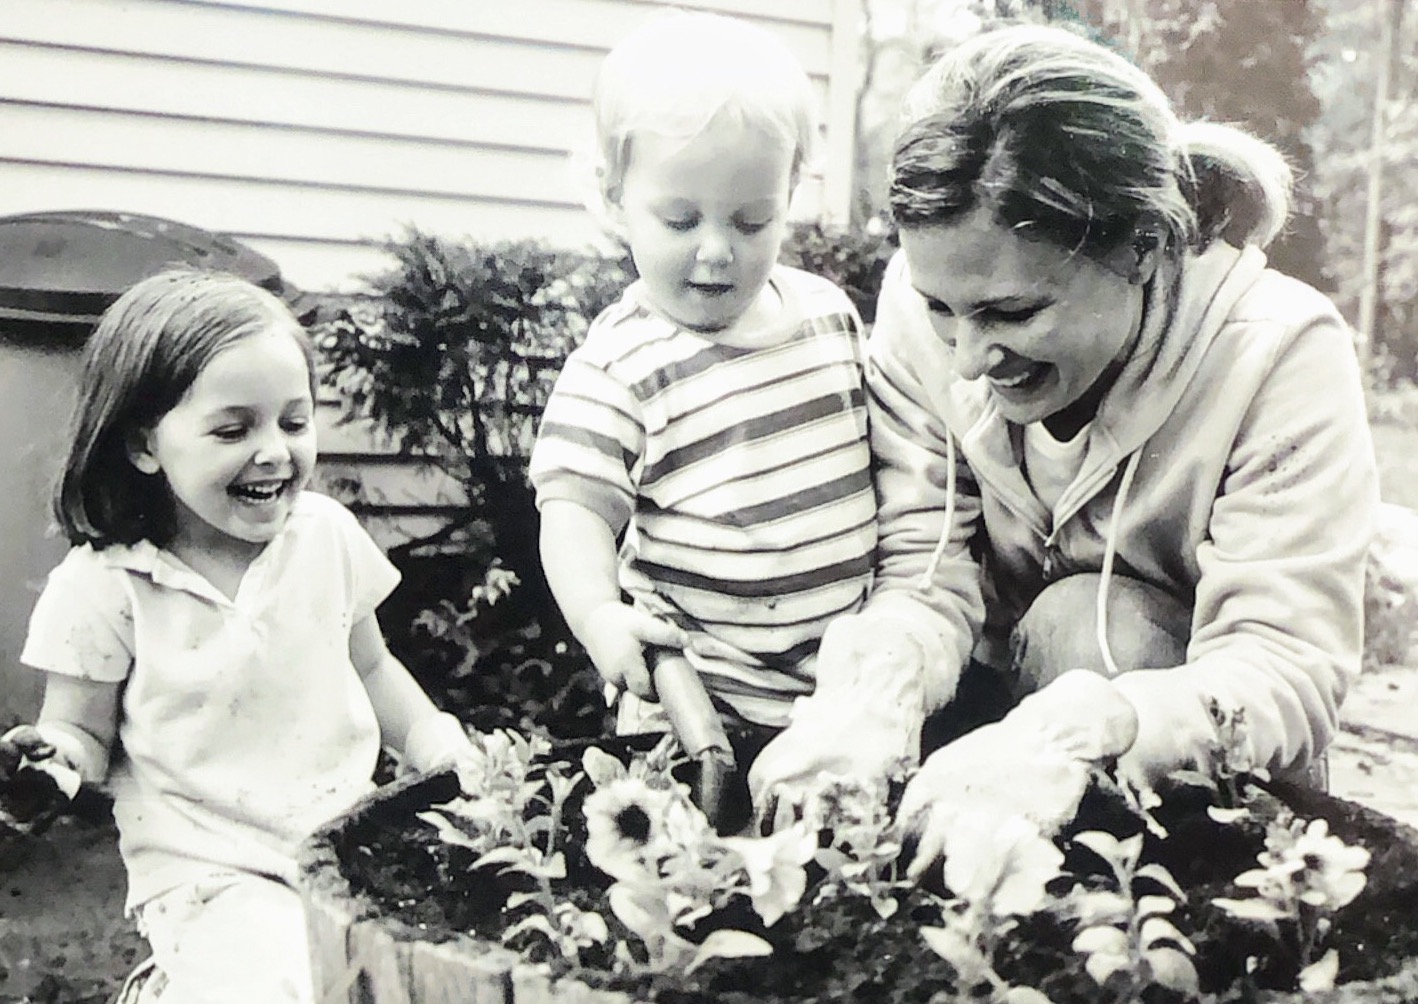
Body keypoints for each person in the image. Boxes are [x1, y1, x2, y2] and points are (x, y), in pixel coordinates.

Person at [749, 23, 1379, 861]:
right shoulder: (929, 295)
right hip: (988, 729)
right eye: (942, 309)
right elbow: (922, 571)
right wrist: (873, 695)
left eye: (1013, 314)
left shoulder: (1278, 352)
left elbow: (1284, 666)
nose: (968, 361)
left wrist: (1090, 730)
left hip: (1205, 784)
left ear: (1143, 247)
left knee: (1090, 623)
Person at [0, 269, 482, 1004]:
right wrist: (52, 763)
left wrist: (438, 746)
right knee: (285, 986)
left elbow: (373, 667)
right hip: (205, 872)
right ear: (144, 445)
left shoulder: (325, 537)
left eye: (294, 422)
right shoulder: (107, 586)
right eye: (233, 429)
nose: (274, 452)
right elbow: (80, 734)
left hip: (345, 847)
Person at [530, 12, 876, 760]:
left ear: (790, 193)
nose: (716, 252)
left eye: (752, 222)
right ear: (615, 198)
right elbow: (573, 511)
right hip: (696, 712)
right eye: (680, 219)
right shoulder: (621, 363)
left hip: (843, 701)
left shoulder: (829, 318)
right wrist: (598, 617)